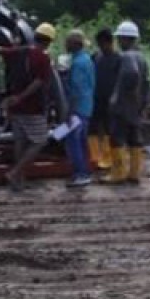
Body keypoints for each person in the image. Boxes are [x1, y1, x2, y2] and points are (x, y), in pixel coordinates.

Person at [0, 22, 57, 191]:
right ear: (49, 41)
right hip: (32, 107)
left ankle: (18, 181)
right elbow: (38, 82)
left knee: (20, 142)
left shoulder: (20, 51)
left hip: (14, 107)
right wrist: (21, 97)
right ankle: (15, 172)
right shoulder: (43, 58)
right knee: (40, 141)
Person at [105, 20, 150, 185]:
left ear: (125, 39)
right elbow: (147, 83)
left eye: (120, 39)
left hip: (124, 106)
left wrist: (120, 97)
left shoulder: (127, 56)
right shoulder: (141, 57)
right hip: (137, 106)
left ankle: (118, 173)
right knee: (135, 138)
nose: (118, 42)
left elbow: (132, 75)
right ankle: (134, 173)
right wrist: (144, 104)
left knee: (116, 138)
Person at [63, 30, 95, 188]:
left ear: (74, 44)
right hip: (86, 107)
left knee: (72, 141)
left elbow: (75, 90)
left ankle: (80, 174)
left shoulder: (77, 63)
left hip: (77, 109)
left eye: (67, 42)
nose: (65, 45)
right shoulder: (86, 59)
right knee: (81, 141)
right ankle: (85, 171)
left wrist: (69, 112)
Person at [90, 28, 121, 178]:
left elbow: (121, 81)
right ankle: (95, 159)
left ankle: (108, 160)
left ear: (110, 42)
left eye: (103, 44)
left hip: (111, 101)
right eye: (99, 44)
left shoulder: (118, 59)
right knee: (93, 129)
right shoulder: (96, 56)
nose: (101, 47)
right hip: (96, 98)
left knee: (110, 131)